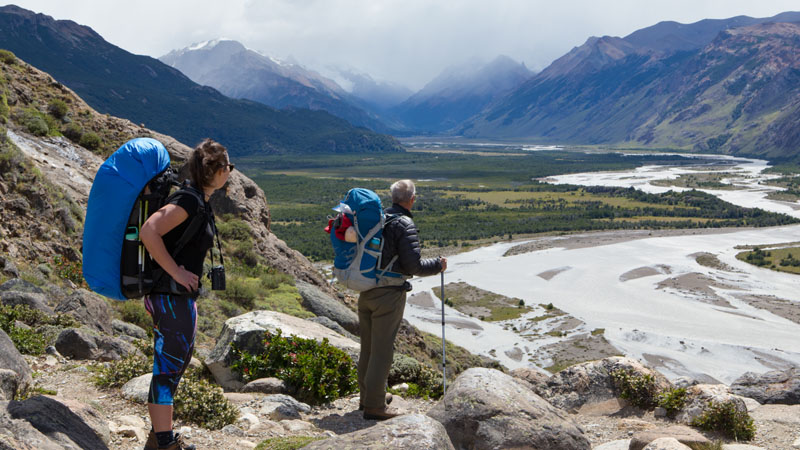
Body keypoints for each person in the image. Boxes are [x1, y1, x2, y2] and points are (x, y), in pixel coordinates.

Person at [139, 139, 233, 450]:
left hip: (179, 297)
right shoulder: (188, 200)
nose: (230, 172)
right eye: (228, 167)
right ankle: (164, 442)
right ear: (216, 171)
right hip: (169, 294)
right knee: (167, 367)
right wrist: (176, 272)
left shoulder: (199, 200)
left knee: (176, 363)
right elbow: (149, 230)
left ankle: (159, 436)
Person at [358, 179, 447, 421]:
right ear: (412, 199)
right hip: (388, 294)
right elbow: (413, 266)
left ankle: (367, 398)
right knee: (383, 351)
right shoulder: (405, 223)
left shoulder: (378, 218)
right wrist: (438, 265)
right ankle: (375, 406)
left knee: (367, 347)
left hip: (366, 289)